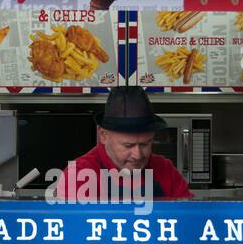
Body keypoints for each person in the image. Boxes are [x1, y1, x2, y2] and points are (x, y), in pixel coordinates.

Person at [50, 86, 191, 201]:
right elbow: (73, 231)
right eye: (128, 146)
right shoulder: (77, 176)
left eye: (145, 144)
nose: (137, 155)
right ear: (103, 136)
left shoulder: (165, 170)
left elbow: (188, 222)